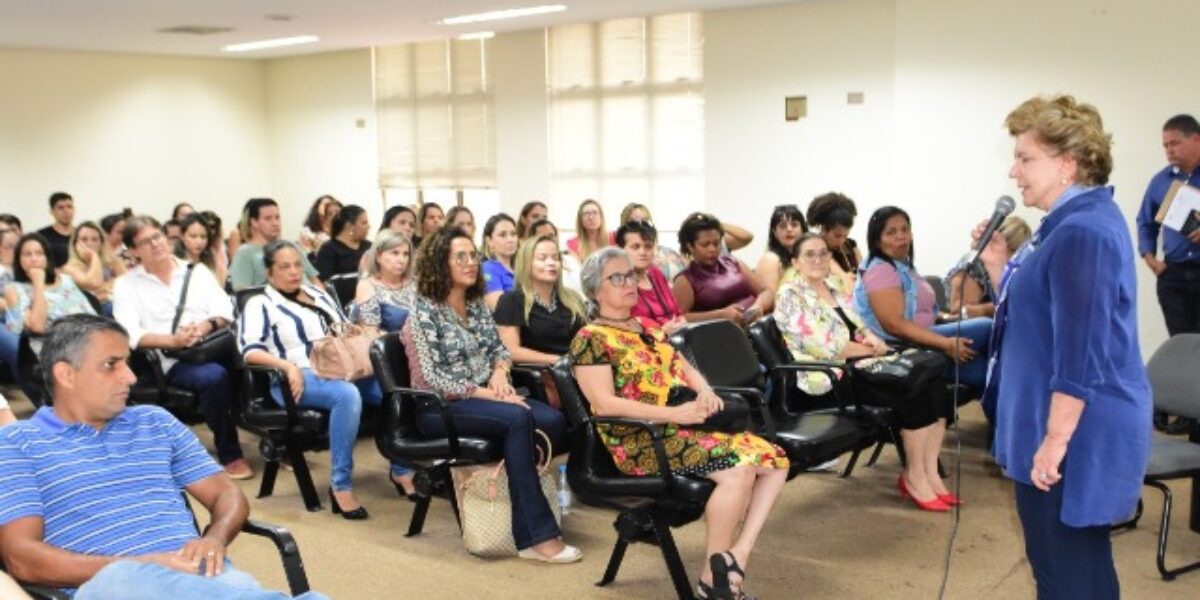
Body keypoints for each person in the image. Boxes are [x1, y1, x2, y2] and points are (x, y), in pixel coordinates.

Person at [0, 314, 326, 599]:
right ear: (66, 375)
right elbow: (21, 558)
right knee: (123, 578)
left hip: (201, 579)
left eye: (127, 363)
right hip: (107, 585)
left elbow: (227, 494)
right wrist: (142, 565)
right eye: (111, 365)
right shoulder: (17, 444)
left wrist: (214, 538)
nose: (130, 376)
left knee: (227, 585)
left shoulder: (155, 421)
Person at [986, 94, 1150, 600]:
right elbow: (1037, 321)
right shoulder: (1067, 224)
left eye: (1024, 157)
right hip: (1062, 417)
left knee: (1064, 571)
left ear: (1067, 164)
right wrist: (997, 266)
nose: (1014, 171)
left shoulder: (1081, 231)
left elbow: (1078, 352)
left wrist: (1055, 442)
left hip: (1075, 426)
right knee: (1077, 564)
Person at [571, 247, 789, 599]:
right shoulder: (590, 339)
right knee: (739, 470)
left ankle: (734, 558)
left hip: (681, 427)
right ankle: (715, 582)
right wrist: (675, 415)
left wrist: (704, 391)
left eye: (630, 275)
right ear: (596, 290)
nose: (629, 282)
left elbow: (684, 367)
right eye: (617, 277)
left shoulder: (645, 327)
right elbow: (603, 404)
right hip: (641, 440)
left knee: (775, 459)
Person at [403, 226, 578, 563]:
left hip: (485, 395)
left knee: (553, 420)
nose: (471, 263)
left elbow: (500, 349)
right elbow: (432, 379)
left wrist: (500, 373)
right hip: (440, 406)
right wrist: (491, 394)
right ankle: (536, 537)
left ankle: (519, 509)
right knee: (518, 418)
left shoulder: (476, 304)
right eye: (460, 257)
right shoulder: (424, 311)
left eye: (473, 255)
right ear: (440, 263)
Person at [775, 233, 956, 510]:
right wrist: (871, 351)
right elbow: (824, 345)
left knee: (935, 386)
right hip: (827, 379)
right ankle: (914, 476)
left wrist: (871, 338)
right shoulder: (790, 295)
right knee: (912, 390)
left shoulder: (834, 285)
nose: (818, 259)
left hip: (860, 367)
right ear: (795, 261)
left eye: (824, 253)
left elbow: (858, 324)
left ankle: (929, 473)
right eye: (809, 254)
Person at [239, 240, 403, 518]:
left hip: (340, 367)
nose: (293, 271)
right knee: (346, 395)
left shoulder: (318, 293)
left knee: (392, 389)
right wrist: (287, 367)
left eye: (297, 265)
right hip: (296, 376)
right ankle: (340, 485)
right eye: (284, 267)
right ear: (269, 272)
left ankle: (402, 468)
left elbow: (344, 329)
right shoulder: (261, 304)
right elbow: (249, 351)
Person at [112, 216, 251, 480]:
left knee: (250, 363)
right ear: (132, 251)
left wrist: (204, 327)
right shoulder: (126, 285)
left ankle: (276, 435)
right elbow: (130, 334)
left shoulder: (195, 271)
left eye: (158, 237)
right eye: (145, 242)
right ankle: (230, 453)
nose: (155, 245)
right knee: (214, 376)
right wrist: (173, 340)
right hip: (169, 360)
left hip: (210, 345)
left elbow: (224, 309)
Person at [851, 206, 992, 395]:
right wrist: (946, 344)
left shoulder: (901, 265)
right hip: (905, 347)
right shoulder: (880, 270)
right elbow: (895, 325)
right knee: (987, 329)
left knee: (992, 369)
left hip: (925, 339)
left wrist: (946, 319)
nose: (901, 236)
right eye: (891, 232)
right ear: (877, 241)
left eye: (904, 229)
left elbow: (920, 310)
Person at [1137, 114, 1200, 337]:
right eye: (1165, 145)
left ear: (1196, 140)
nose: (1169, 150)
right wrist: (1150, 258)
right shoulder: (1160, 182)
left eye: (1175, 143)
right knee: (1180, 344)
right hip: (1173, 276)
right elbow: (1145, 222)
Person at [494, 234, 588, 366]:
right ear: (526, 263)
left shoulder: (573, 298)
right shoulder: (511, 300)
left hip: (580, 369)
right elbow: (510, 351)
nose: (551, 263)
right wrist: (557, 360)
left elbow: (587, 340)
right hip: (542, 374)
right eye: (542, 258)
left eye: (555, 258)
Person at [673, 213, 771, 327]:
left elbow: (765, 292)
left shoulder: (733, 262)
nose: (712, 249)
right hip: (723, 334)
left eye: (716, 243)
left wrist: (759, 306)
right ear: (690, 246)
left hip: (758, 326)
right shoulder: (685, 279)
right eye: (705, 245)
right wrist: (720, 315)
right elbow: (680, 317)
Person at [4, 234, 96, 343]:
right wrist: (38, 283)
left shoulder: (66, 280)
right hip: (54, 349)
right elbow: (37, 327)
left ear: (47, 258)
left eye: (39, 253)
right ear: (19, 260)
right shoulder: (14, 289)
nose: (34, 259)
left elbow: (91, 316)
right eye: (27, 254)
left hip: (88, 340)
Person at [943, 216, 1031, 319]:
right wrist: (1007, 304)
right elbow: (960, 310)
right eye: (1013, 251)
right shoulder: (975, 264)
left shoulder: (1016, 268)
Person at [229, 198, 320, 291]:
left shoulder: (291, 246)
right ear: (254, 222)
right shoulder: (245, 253)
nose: (275, 223)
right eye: (268, 219)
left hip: (311, 298)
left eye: (277, 217)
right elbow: (242, 293)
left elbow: (314, 280)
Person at [615, 220, 686, 333]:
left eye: (648, 246)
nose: (643, 252)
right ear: (620, 250)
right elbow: (621, 331)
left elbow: (676, 311)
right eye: (635, 247)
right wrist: (661, 332)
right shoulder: (617, 283)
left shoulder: (656, 273)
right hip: (641, 347)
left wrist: (681, 320)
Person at [353, 230, 416, 333]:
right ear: (378, 256)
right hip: (389, 346)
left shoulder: (416, 283)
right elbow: (371, 333)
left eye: (405, 254)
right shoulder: (367, 286)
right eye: (395, 253)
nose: (402, 260)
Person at [62, 221, 126, 315]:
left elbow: (126, 281)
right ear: (75, 244)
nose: (90, 243)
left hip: (116, 302)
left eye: (95, 239)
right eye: (84, 239)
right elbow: (94, 283)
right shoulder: (70, 268)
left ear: (101, 243)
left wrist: (104, 289)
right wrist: (94, 256)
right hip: (91, 312)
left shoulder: (112, 260)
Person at [314, 204, 371, 305]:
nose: (368, 227)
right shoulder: (329, 249)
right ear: (349, 226)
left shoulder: (369, 247)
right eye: (364, 223)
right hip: (342, 304)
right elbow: (323, 282)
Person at [617, 202, 687, 282]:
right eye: (634, 222)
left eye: (644, 221)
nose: (640, 225)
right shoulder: (620, 260)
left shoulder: (670, 254)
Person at [754, 204, 807, 306]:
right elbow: (770, 302)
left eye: (794, 224)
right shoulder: (770, 259)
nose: (789, 229)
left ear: (802, 229)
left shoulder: (811, 256)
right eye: (783, 226)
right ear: (774, 232)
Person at [807, 192, 862, 286]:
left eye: (846, 235)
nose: (842, 240)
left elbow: (863, 271)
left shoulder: (850, 245)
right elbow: (842, 276)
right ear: (824, 228)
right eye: (837, 236)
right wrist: (845, 277)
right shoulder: (814, 246)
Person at [175, 213, 228, 287]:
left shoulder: (213, 259)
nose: (199, 242)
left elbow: (219, 288)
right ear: (182, 236)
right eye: (193, 236)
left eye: (203, 237)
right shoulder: (175, 263)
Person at [481, 213, 519, 309]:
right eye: (502, 235)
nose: (510, 240)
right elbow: (499, 308)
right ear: (489, 240)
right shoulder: (488, 269)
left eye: (513, 234)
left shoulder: (520, 268)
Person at [35, 192, 75, 269]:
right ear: (52, 211)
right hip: (53, 279)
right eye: (61, 208)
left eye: (69, 207)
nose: (66, 211)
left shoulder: (82, 234)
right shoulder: (41, 236)